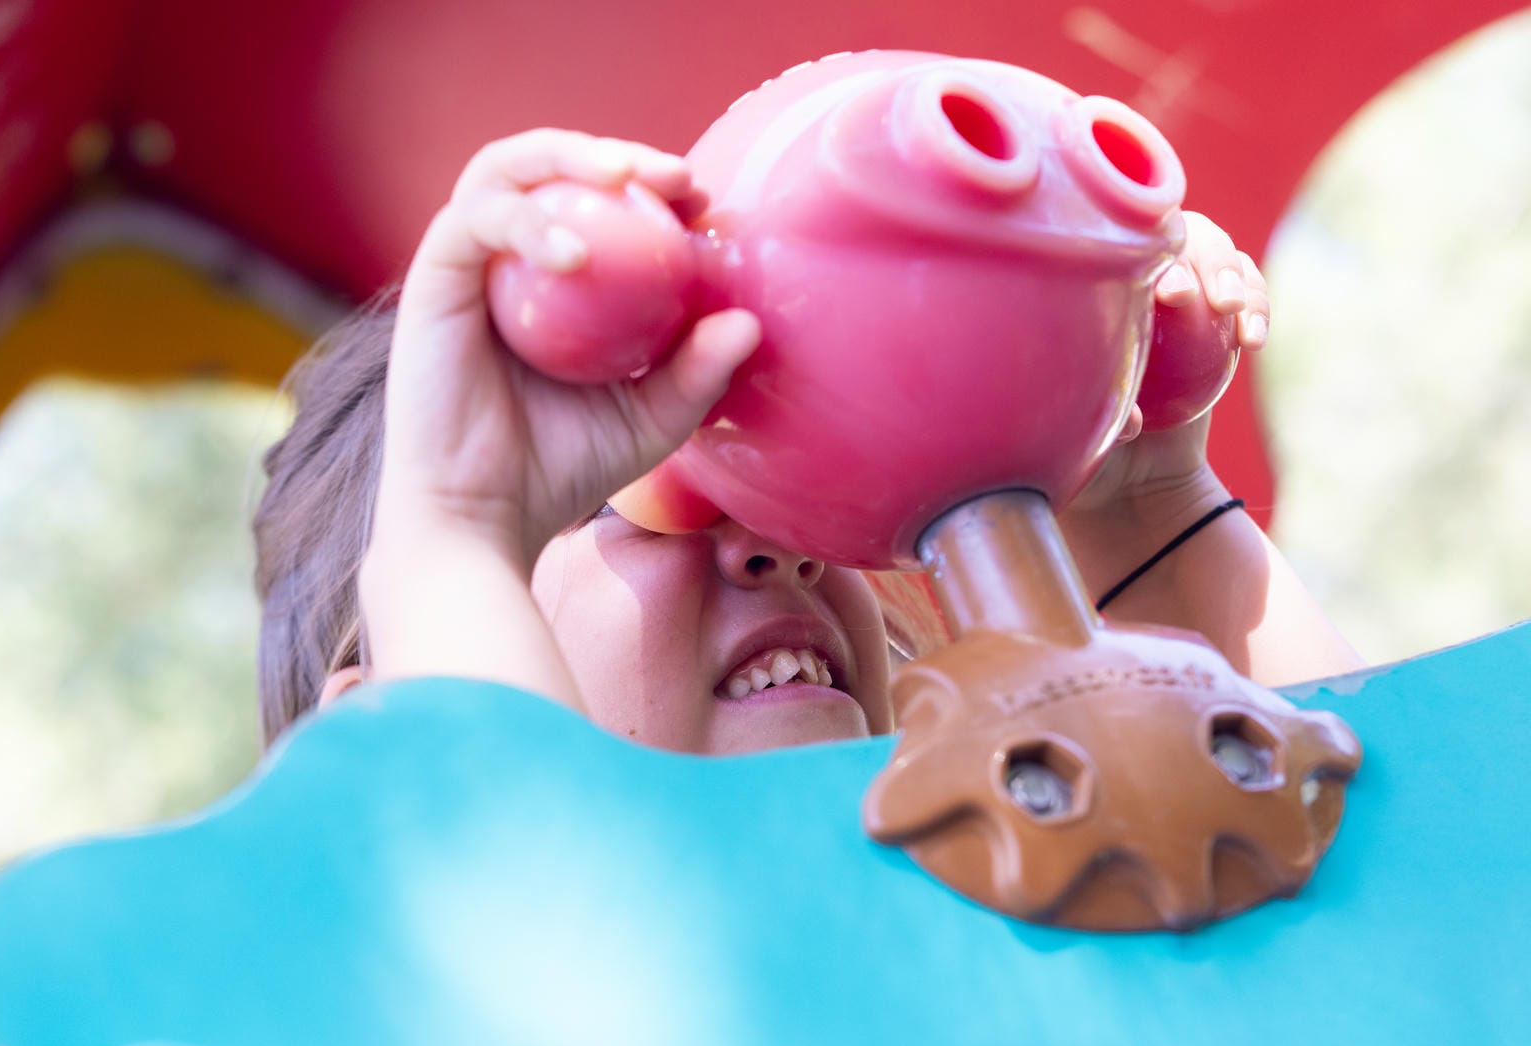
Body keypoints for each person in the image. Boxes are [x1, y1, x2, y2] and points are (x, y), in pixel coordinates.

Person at [254, 129, 1363, 754]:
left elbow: (1357, 904)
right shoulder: (503, 1035)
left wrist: (1136, 507)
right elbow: (524, 883)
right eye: (640, 486)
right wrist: (455, 530)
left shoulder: (1007, 884)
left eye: (797, 502)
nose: (772, 548)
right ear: (377, 738)